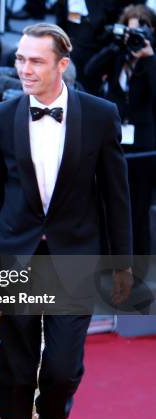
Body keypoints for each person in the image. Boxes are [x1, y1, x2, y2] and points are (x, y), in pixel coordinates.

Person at [0, 23, 133, 419]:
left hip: (74, 254)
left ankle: (52, 418)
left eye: (36, 61)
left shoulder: (99, 114)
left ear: (62, 64)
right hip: (16, 253)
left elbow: (116, 195)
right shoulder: (0, 117)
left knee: (61, 368)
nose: (25, 68)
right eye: (20, 59)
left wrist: (122, 262)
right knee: (15, 367)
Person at [84, 4, 156, 281]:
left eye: (141, 29)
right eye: (130, 28)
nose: (134, 35)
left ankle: (137, 268)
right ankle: (106, 262)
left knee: (137, 207)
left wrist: (148, 59)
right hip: (113, 140)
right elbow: (89, 72)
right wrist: (116, 47)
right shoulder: (118, 55)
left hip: (145, 146)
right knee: (106, 202)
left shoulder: (151, 59)